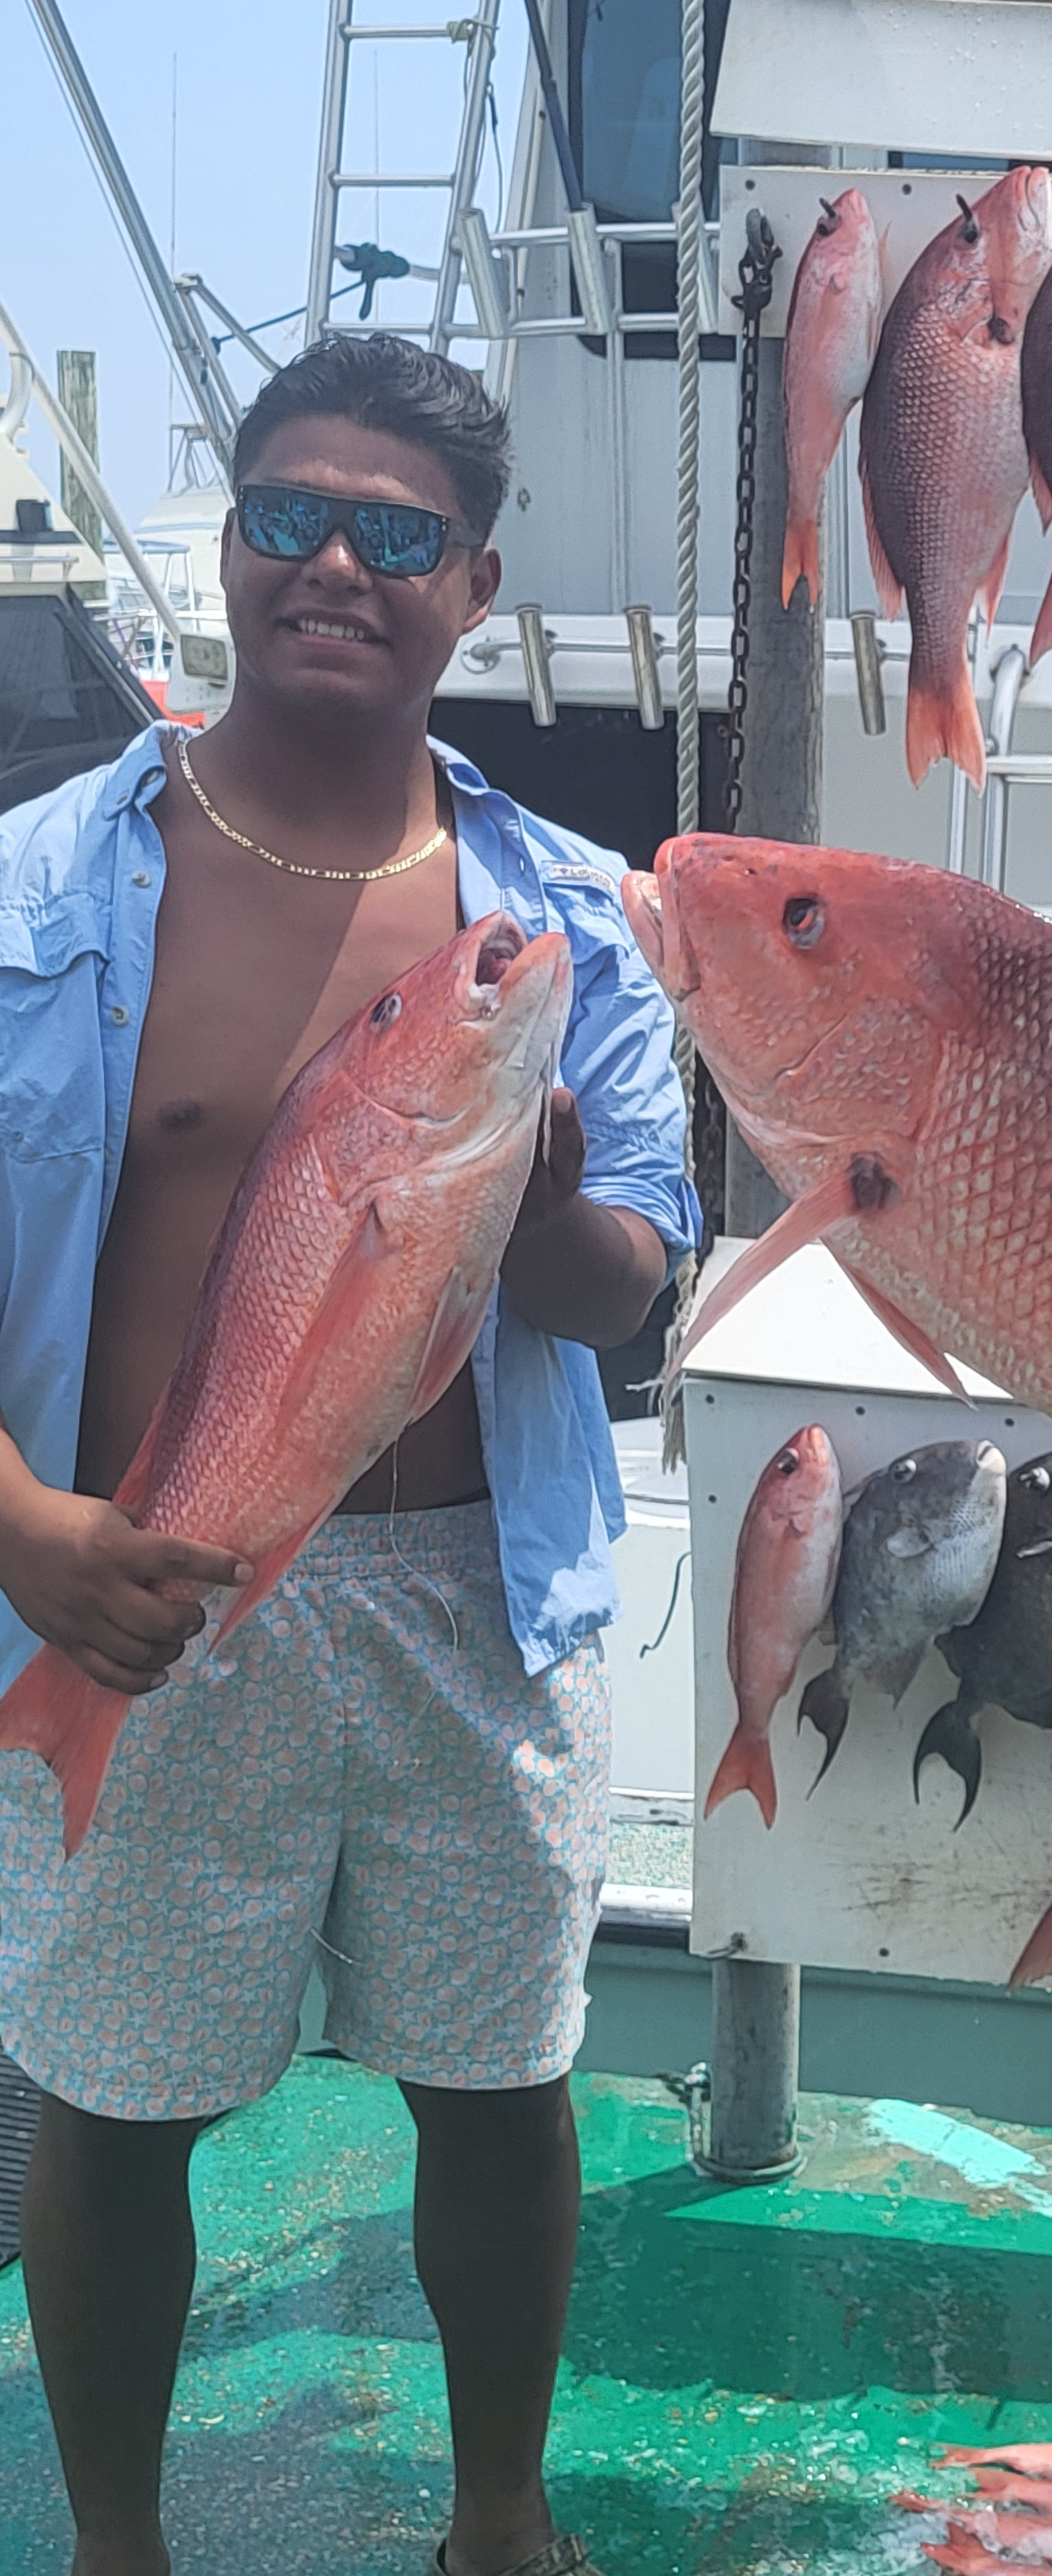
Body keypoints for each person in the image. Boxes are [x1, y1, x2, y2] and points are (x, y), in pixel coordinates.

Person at [0, 332, 700, 2576]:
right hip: (141, 1581)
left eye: (393, 536)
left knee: (499, 2089)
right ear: (225, 543)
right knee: (112, 2107)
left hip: (475, 1595)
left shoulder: (569, 921)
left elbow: (630, 1303)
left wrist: (562, 1190)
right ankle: (120, 2545)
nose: (332, 563)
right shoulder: (34, 885)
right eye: (289, 514)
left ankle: (499, 2519)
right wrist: (22, 1534)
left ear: (470, 585)